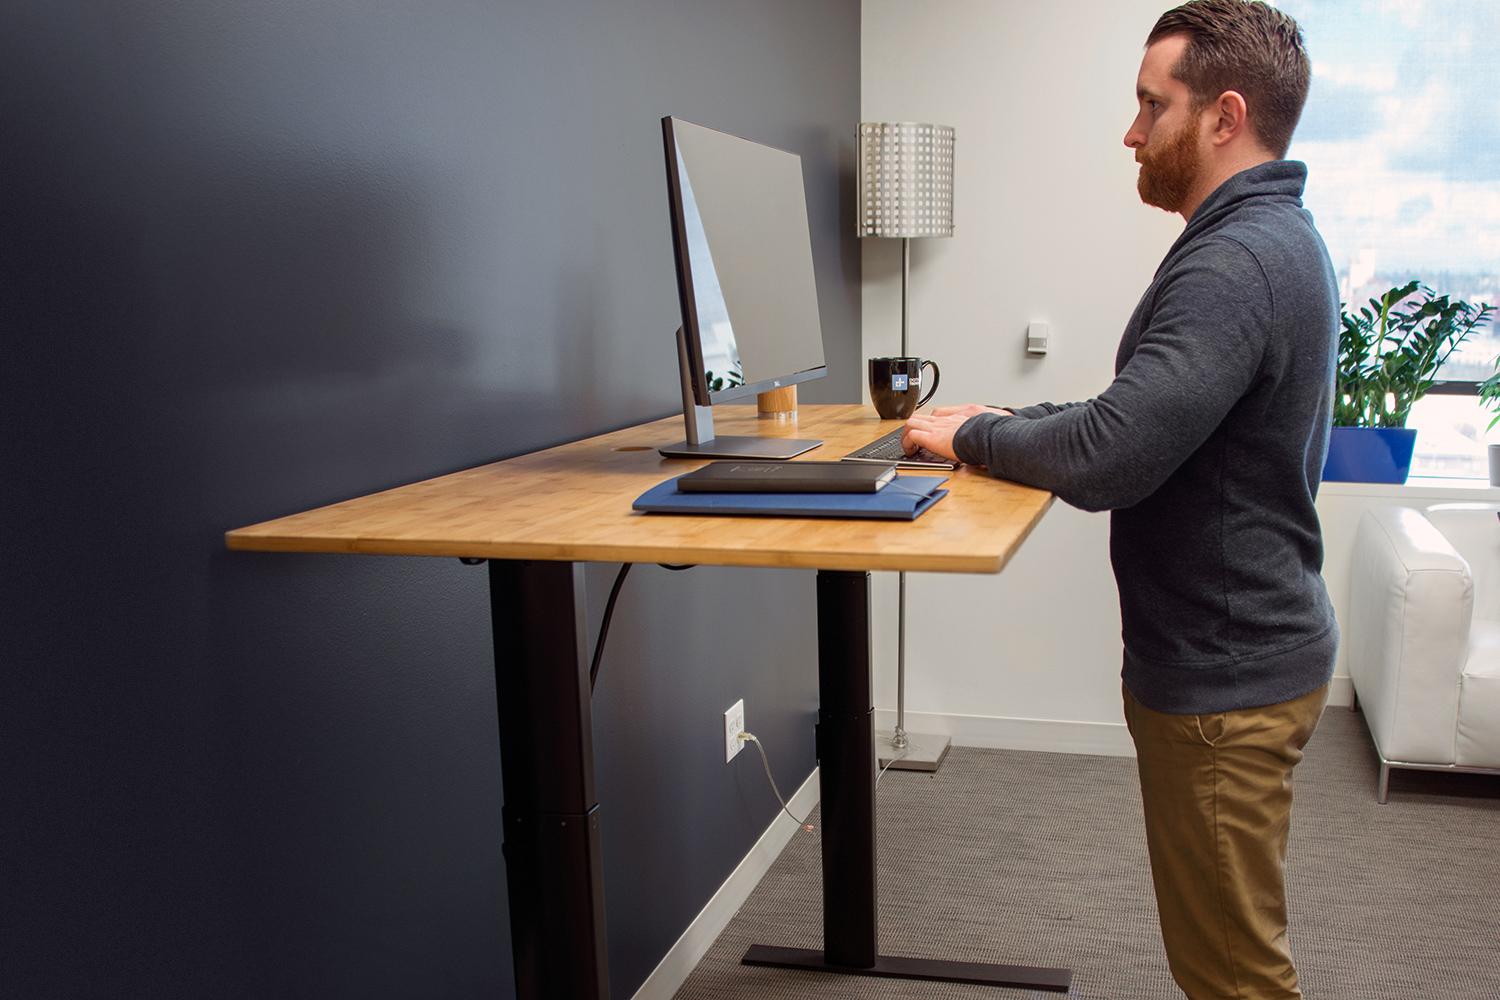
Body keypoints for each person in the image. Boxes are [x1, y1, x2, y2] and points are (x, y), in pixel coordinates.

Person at [902, 3, 1336, 998]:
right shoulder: (1268, 239)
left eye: (1153, 105)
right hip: (1246, 656)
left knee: (1233, 974)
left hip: (1227, 682)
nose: (1132, 132)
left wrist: (973, 434)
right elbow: (1143, 411)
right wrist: (1009, 415)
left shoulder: (1237, 262)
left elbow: (1112, 455)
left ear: (1224, 116)